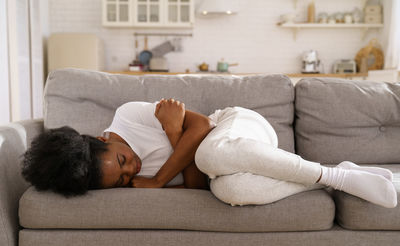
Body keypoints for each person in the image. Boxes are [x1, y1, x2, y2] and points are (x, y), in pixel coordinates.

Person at [22, 99, 398, 208]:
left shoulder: (129, 114)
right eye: (122, 178)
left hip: (240, 128)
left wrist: (159, 178)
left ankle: (338, 176)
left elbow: (202, 128)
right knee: (230, 192)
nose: (131, 169)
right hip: (235, 165)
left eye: (122, 160)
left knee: (208, 155)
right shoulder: (131, 181)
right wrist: (175, 133)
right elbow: (199, 186)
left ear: (102, 138)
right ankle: (336, 176)